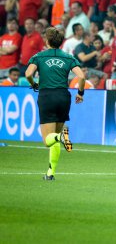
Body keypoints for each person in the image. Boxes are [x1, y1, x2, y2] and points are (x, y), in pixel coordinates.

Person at [25, 27, 86, 181]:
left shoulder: (39, 56)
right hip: (63, 97)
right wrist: (80, 93)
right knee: (55, 135)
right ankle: (50, 173)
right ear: (60, 42)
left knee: (48, 141)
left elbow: (27, 74)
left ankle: (61, 138)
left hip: (47, 96)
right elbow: (82, 76)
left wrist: (33, 84)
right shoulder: (68, 57)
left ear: (47, 40)